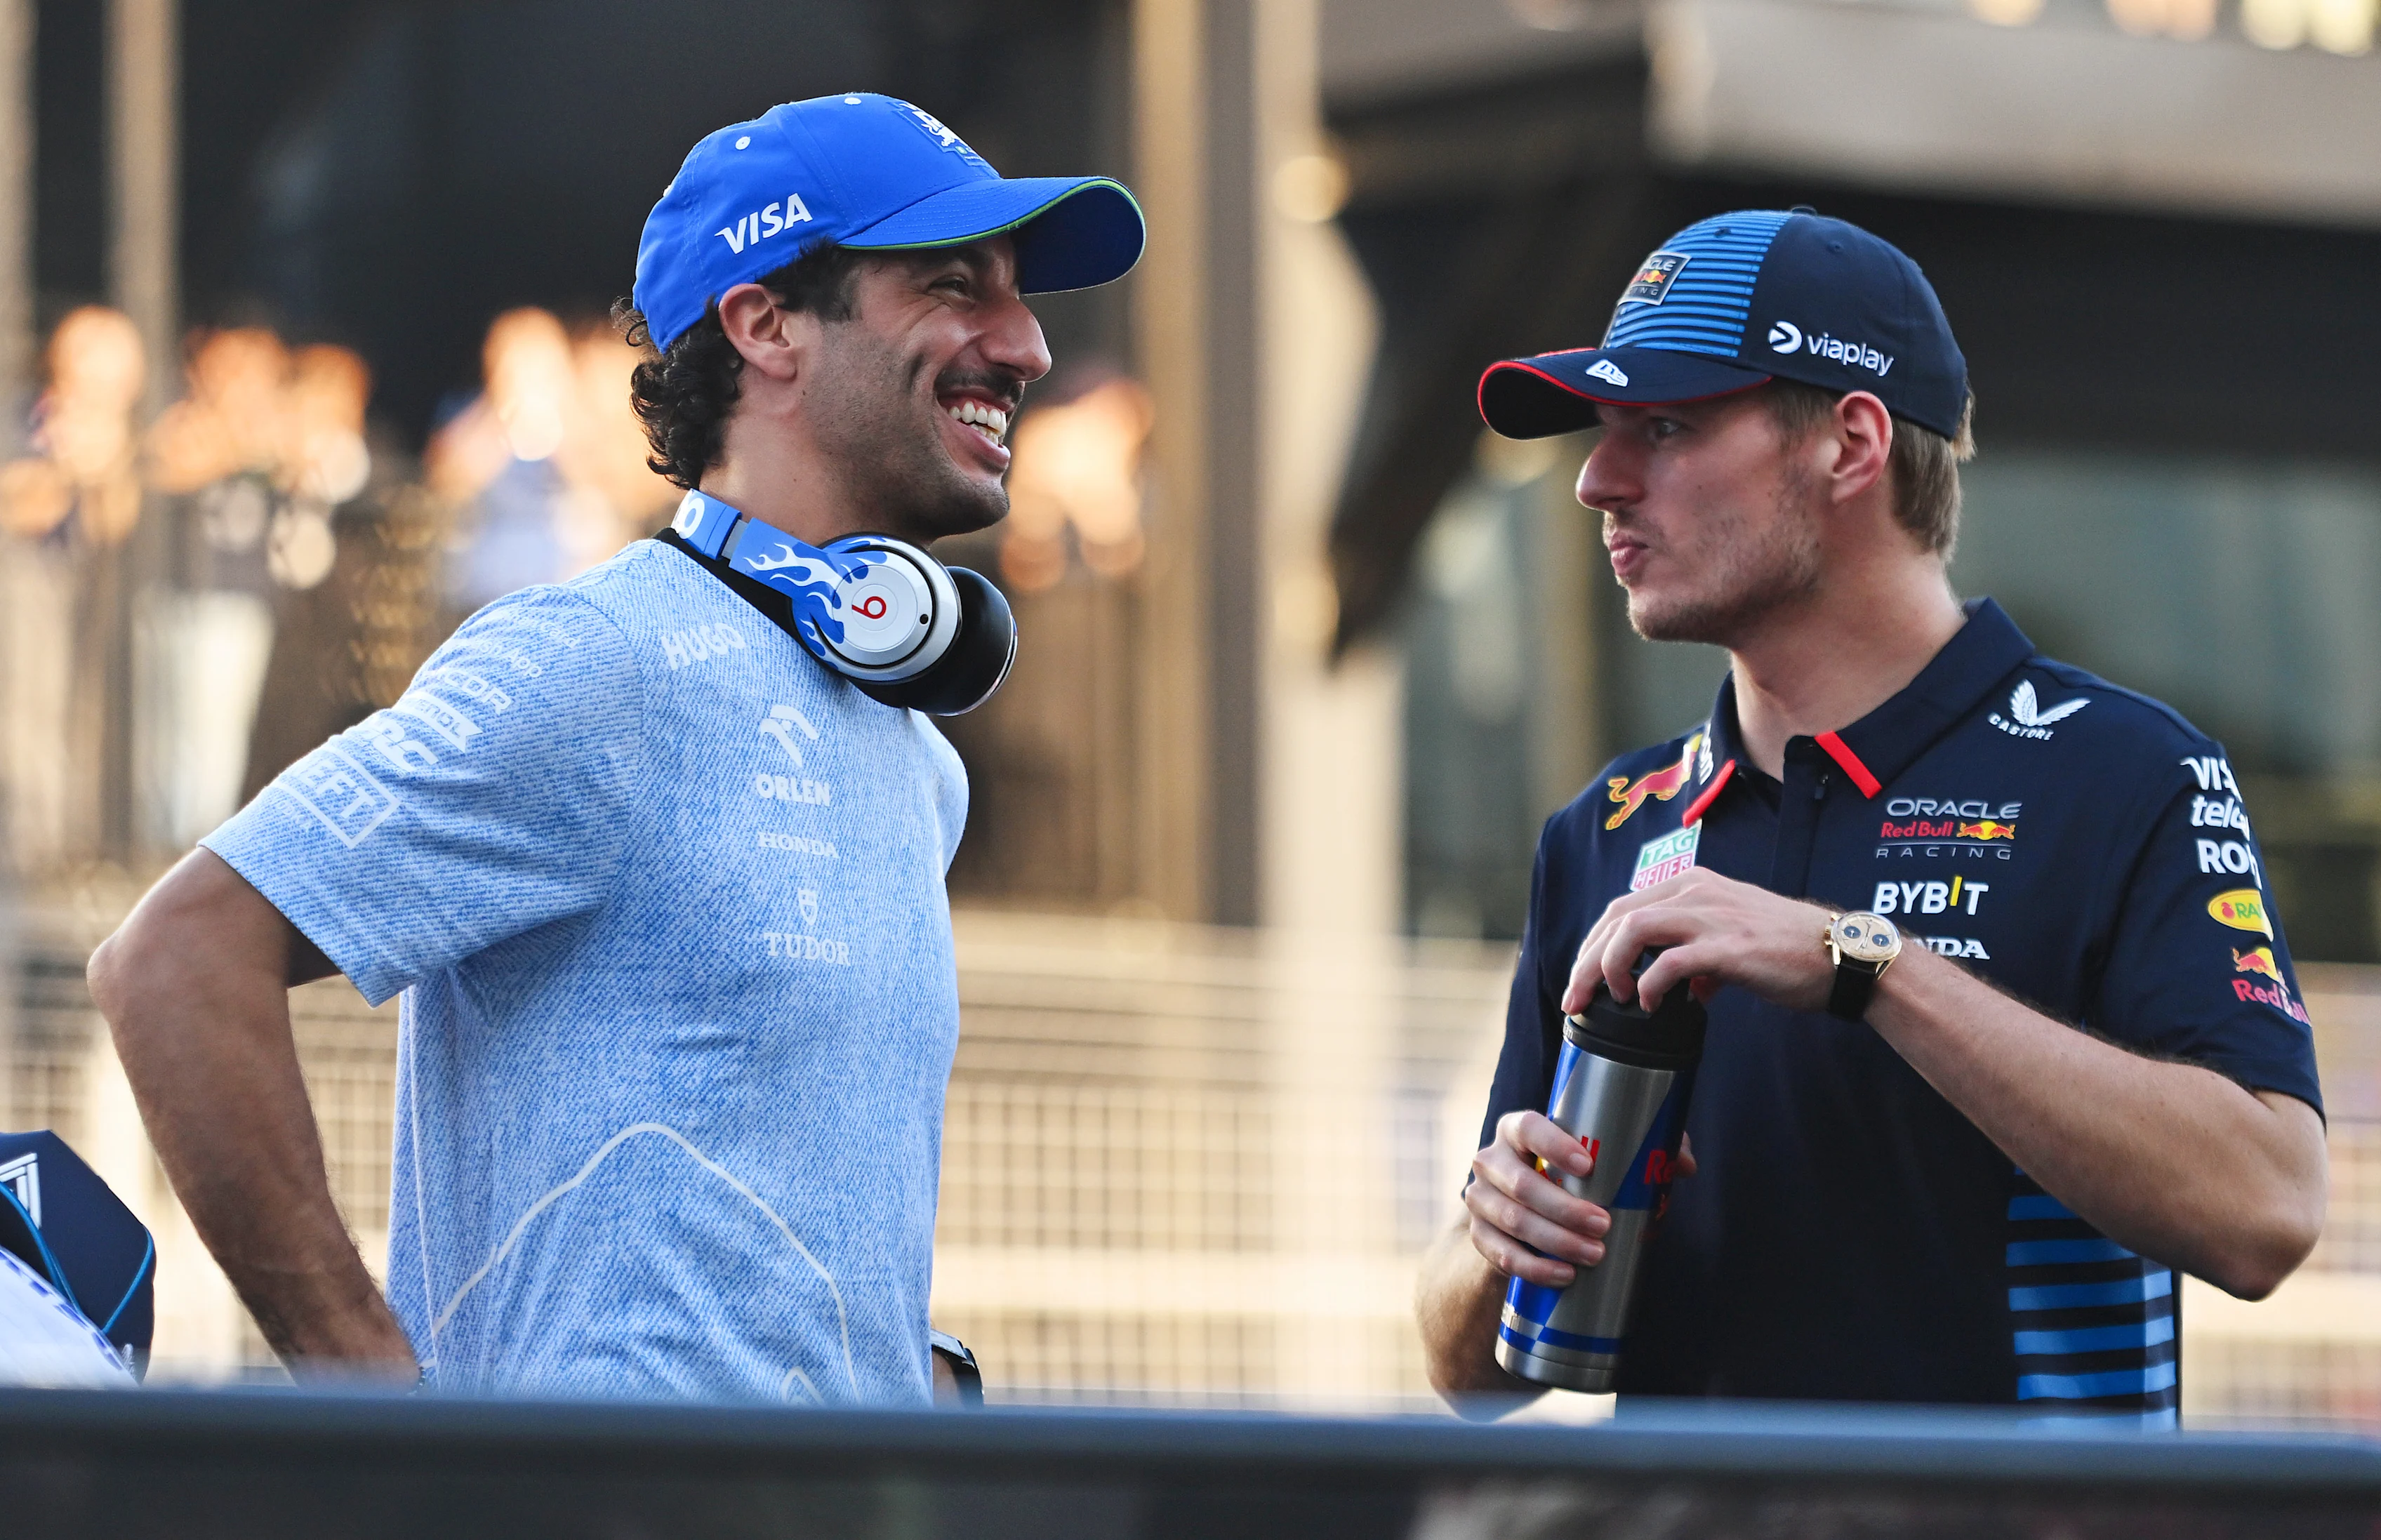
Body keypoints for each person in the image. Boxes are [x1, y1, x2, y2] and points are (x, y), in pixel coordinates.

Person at [84, 93, 1143, 1402]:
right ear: (764, 326)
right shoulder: (599, 660)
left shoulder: (918, 756)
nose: (1028, 343)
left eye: (1019, 296)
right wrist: (385, 1422)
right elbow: (173, 961)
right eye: (952, 285)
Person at [1414, 209, 2326, 1423]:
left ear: (1851, 443)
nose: (1598, 477)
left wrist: (1862, 963)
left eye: (1668, 426)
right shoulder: (1611, 827)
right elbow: (1468, 1378)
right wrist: (1493, 1245)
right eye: (1604, 430)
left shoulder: (2125, 776)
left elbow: (2268, 1209)